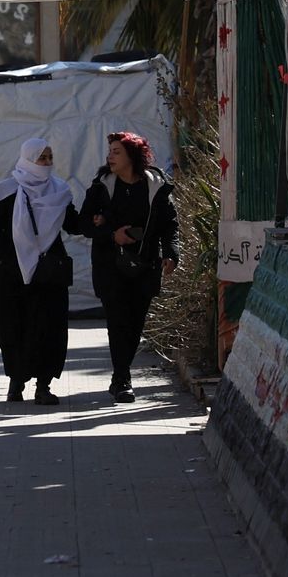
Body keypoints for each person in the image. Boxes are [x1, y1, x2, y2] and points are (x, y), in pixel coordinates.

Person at [0, 138, 80, 405]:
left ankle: (43, 385)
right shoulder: (6, 191)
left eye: (49, 157)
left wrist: (100, 220)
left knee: (49, 327)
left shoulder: (58, 191)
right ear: (27, 159)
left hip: (47, 273)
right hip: (13, 273)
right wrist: (11, 259)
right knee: (12, 326)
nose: (46, 163)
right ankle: (16, 381)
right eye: (40, 158)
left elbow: (73, 223)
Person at [79, 131, 179, 404]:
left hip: (145, 263)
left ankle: (121, 374)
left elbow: (170, 224)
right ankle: (122, 378)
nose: (110, 156)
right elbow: (83, 223)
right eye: (109, 151)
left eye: (116, 152)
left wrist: (171, 252)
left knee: (135, 323)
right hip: (110, 264)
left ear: (132, 156)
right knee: (117, 320)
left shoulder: (155, 185)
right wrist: (112, 234)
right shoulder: (102, 185)